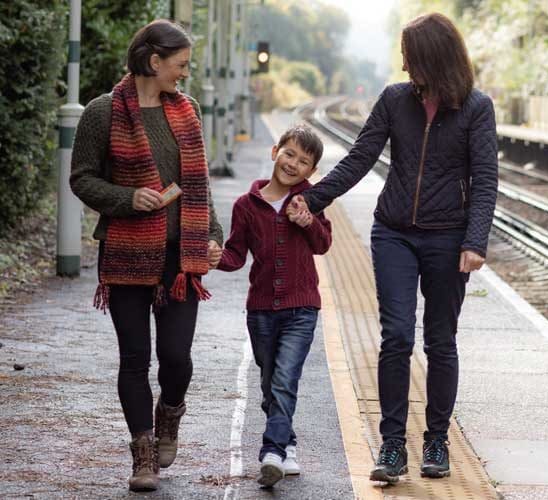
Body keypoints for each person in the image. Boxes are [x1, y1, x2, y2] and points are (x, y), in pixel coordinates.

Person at [286, 12, 498, 483]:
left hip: (449, 237)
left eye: (411, 57)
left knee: (440, 340)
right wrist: (313, 199)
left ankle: (437, 441)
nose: (405, 67)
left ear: (434, 58)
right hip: (394, 232)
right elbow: (360, 158)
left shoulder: (476, 108)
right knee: (397, 337)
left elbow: (485, 180)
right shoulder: (394, 100)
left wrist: (475, 241)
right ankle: (393, 445)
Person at [69, 19, 223, 492]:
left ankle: (169, 414)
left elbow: (198, 184)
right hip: (127, 255)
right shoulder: (102, 113)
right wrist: (127, 198)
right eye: (180, 65)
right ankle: (143, 454)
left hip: (181, 259)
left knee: (176, 358)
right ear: (154, 61)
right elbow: (82, 178)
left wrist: (213, 234)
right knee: (134, 359)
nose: (185, 74)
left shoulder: (188, 110)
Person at [216, 125, 331, 488]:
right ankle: (288, 442)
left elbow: (323, 244)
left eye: (304, 161)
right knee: (269, 382)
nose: (294, 164)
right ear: (274, 152)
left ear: (311, 172)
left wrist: (308, 221)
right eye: (289, 153)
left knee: (284, 380)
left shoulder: (310, 200)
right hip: (261, 310)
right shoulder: (245, 206)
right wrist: (215, 257)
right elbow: (236, 255)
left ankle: (273, 451)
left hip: (301, 308)